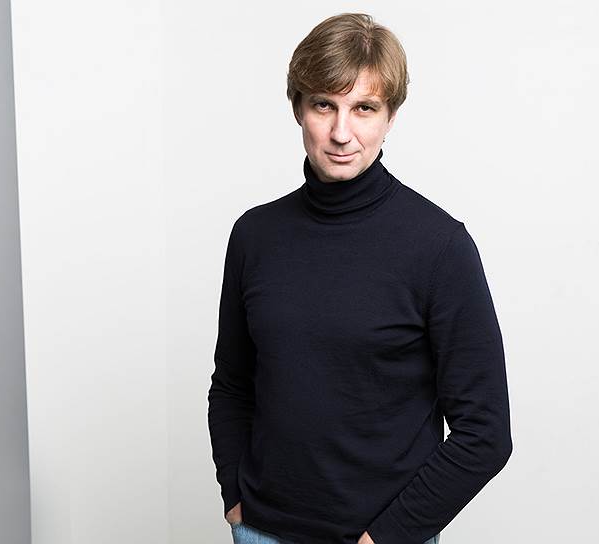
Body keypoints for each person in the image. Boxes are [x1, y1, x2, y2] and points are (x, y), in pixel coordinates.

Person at [207, 13, 513, 544]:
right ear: (298, 109)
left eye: (364, 108)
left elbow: (485, 432)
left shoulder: (439, 246)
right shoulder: (255, 235)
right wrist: (235, 493)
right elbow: (232, 383)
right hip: (261, 530)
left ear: (390, 117)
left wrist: (387, 537)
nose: (341, 133)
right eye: (324, 105)